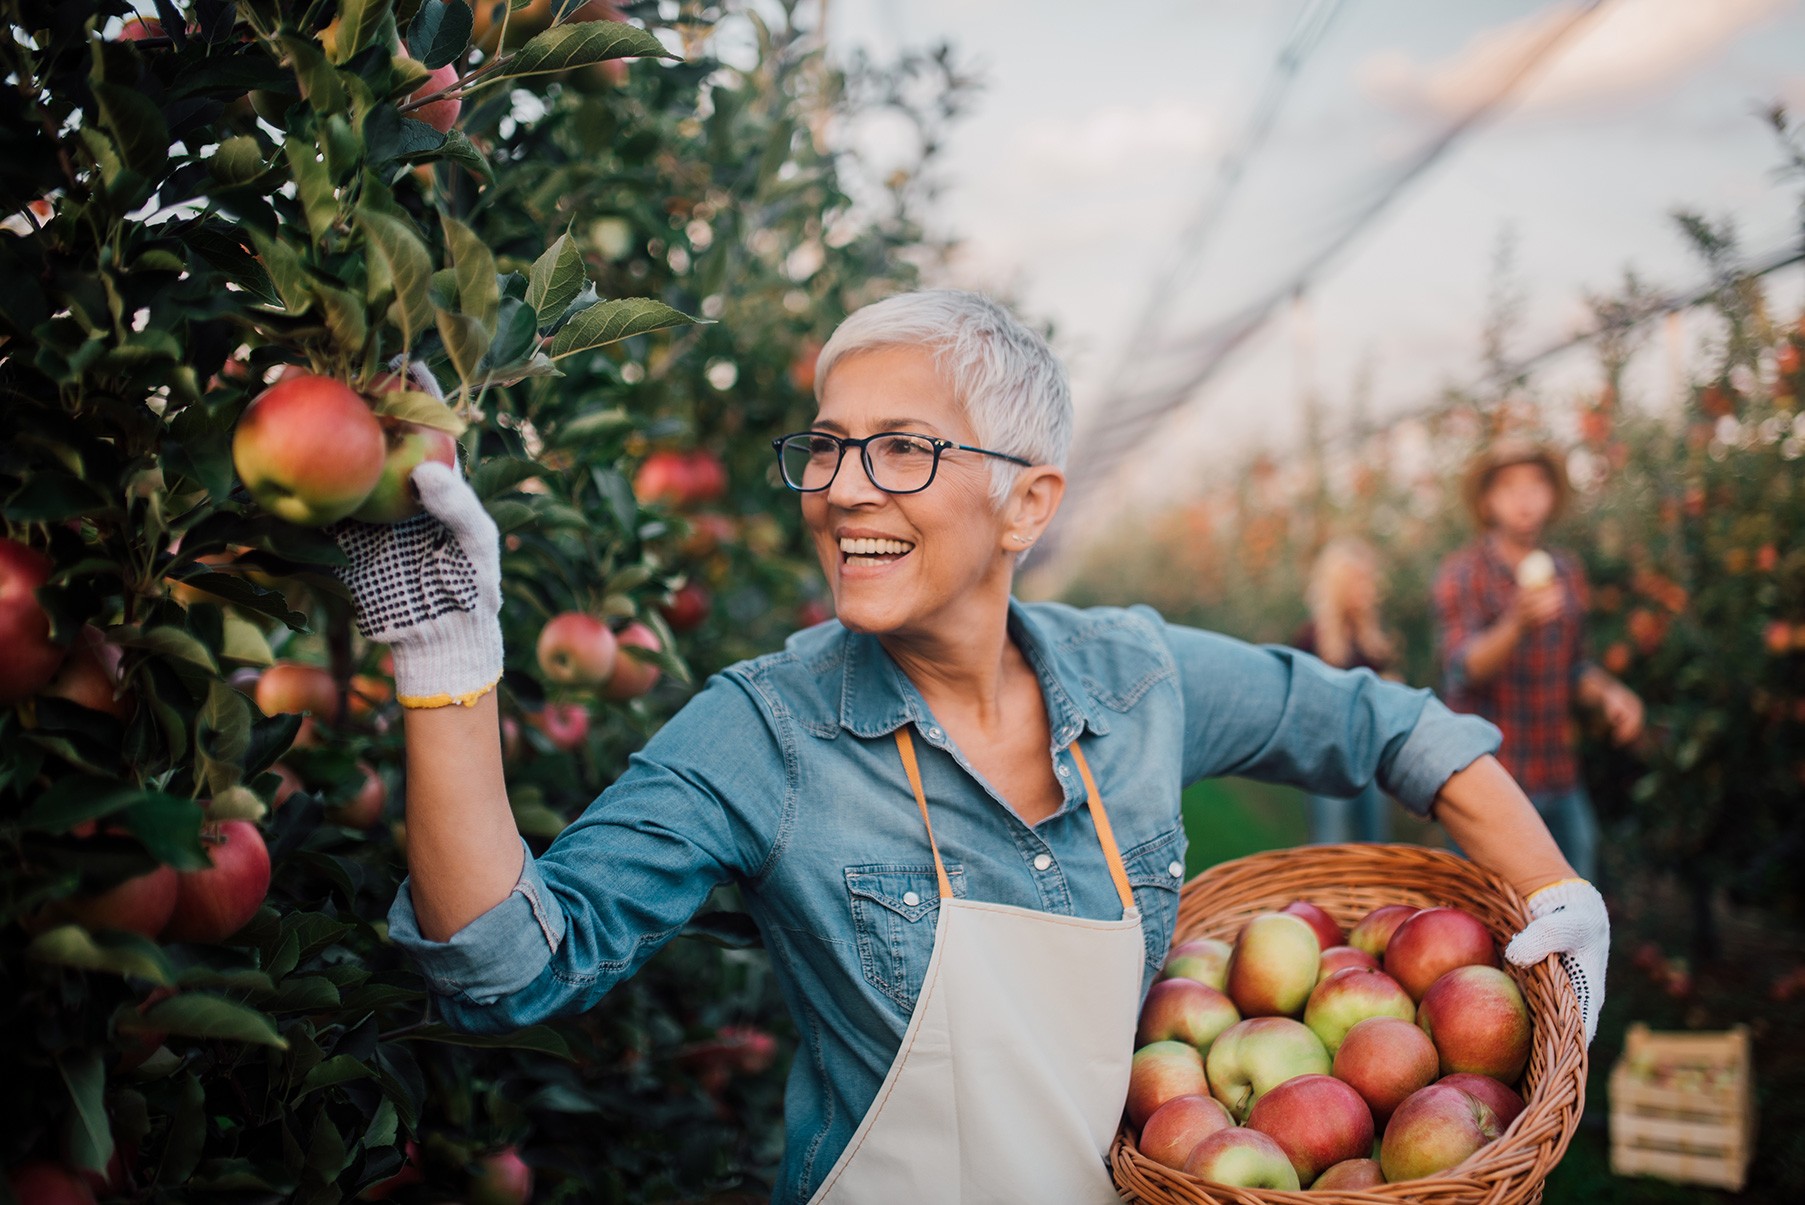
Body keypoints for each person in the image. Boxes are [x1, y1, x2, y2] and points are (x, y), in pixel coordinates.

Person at [334, 293, 1610, 1204]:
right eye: (827, 447)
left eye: (899, 448)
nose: (839, 487)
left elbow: (1392, 724)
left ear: (1028, 502)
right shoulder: (767, 728)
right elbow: (505, 971)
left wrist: (1550, 887)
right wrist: (446, 664)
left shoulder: (1139, 679)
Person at [1432, 437, 1645, 883]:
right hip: (1488, 782)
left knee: (1576, 902)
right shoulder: (1463, 573)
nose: (1524, 498)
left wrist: (1610, 693)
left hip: (1557, 772)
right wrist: (1516, 623)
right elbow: (1461, 667)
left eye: (1536, 485)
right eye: (1509, 487)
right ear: (1488, 502)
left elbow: (1575, 667)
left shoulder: (1566, 572)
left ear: (1551, 496)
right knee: (1489, 916)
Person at [1293, 537, 1398, 844]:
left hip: (1369, 756)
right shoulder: (1312, 639)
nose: (1369, 589)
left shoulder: (1371, 640)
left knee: (1375, 839)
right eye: (1359, 581)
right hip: (1328, 759)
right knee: (1331, 840)